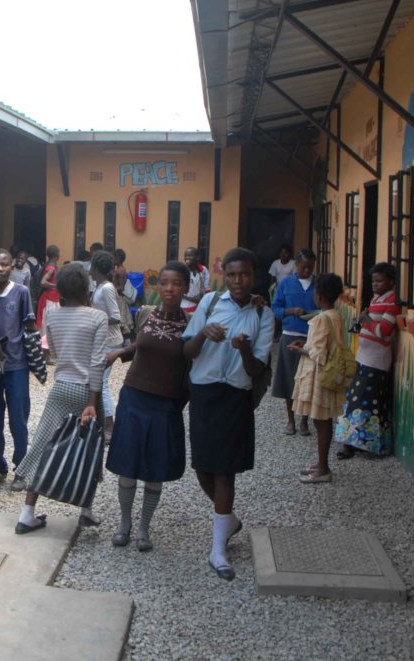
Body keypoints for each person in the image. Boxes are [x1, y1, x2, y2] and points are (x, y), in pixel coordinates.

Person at [183, 248, 274, 580]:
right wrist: (203, 334)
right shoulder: (209, 303)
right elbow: (186, 350)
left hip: (236, 396)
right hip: (204, 393)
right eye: (233, 274)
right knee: (203, 468)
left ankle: (218, 549)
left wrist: (245, 349)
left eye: (245, 274)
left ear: (254, 276)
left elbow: (257, 368)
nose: (238, 281)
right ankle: (229, 520)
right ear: (224, 274)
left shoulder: (264, 315)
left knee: (225, 473)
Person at [13, 263, 107, 533]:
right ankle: (86, 509)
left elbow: (51, 351)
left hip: (60, 388)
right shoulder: (97, 318)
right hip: (86, 390)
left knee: (44, 443)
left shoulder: (52, 315)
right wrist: (92, 401)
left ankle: (27, 512)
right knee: (88, 447)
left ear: (61, 289)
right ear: (87, 287)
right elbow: (97, 363)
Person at [106, 261, 191, 552]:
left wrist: (179, 403)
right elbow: (141, 346)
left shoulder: (191, 325)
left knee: (155, 468)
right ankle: (125, 523)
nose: (169, 289)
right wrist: (120, 351)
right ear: (158, 286)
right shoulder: (145, 314)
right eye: (164, 282)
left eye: (176, 283)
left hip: (165, 403)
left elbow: (191, 366)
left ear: (186, 288)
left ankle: (144, 528)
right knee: (127, 466)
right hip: (134, 397)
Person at [335, 263, 401, 458]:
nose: (375, 284)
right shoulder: (376, 298)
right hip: (364, 358)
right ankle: (355, 443)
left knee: (364, 403)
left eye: (379, 281)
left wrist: (366, 318)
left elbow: (383, 331)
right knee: (357, 402)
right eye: (373, 281)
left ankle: (359, 444)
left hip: (377, 361)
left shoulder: (392, 302)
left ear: (390, 281)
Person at [0, 249, 36, 491]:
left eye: (4, 264)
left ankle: (22, 467)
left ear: (11, 267)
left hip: (17, 364)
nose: (0, 269)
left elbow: (30, 325)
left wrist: (34, 356)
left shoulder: (21, 292)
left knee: (18, 418)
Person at [289, 273, 347, 484]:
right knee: (321, 420)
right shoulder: (336, 315)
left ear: (319, 294)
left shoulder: (322, 318)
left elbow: (319, 353)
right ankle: (321, 463)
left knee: (321, 421)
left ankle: (323, 468)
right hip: (327, 372)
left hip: (319, 374)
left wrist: (301, 350)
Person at [270, 249, 318, 436]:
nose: (307, 271)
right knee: (289, 378)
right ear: (296, 265)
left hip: (310, 336)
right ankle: (291, 420)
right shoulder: (286, 283)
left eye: (310, 268)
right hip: (290, 334)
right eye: (304, 267)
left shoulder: (317, 284)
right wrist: (290, 311)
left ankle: (304, 420)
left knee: (308, 379)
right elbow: (275, 308)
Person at [90, 250, 125, 443]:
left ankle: (109, 427)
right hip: (101, 340)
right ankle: (101, 422)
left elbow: (116, 316)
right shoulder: (99, 287)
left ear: (96, 268)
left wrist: (95, 320)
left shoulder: (107, 288)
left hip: (109, 342)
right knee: (95, 381)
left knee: (100, 384)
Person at [36, 245, 61, 354]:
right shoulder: (51, 268)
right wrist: (56, 286)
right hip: (50, 300)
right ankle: (46, 352)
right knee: (48, 325)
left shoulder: (51, 266)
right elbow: (43, 282)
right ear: (57, 256)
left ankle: (48, 351)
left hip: (53, 299)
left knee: (49, 325)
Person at [182, 247, 211, 313]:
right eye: (186, 256)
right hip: (184, 307)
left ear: (197, 257)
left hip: (198, 306)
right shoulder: (182, 271)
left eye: (190, 255)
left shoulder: (203, 270)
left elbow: (207, 288)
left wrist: (206, 300)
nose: (187, 258)